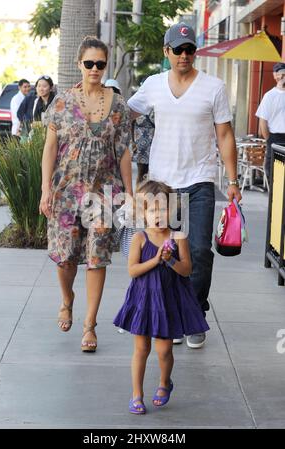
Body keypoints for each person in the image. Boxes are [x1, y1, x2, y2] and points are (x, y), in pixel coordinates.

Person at [127, 22, 241, 348]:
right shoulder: (152, 85)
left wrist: (232, 181)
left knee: (201, 252)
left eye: (190, 49)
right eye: (178, 50)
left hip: (200, 181)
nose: (184, 55)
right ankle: (175, 314)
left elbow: (225, 135)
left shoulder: (213, 87)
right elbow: (125, 114)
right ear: (166, 52)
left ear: (196, 52)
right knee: (171, 252)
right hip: (165, 187)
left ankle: (194, 315)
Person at [39, 36, 132, 353]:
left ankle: (90, 326)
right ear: (79, 64)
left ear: (106, 66)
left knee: (96, 259)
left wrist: (129, 194)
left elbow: (124, 153)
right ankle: (67, 299)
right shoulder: (62, 102)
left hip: (104, 193)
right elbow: (50, 149)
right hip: (66, 192)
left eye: (100, 64)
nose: (95, 69)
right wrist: (45, 189)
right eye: (89, 63)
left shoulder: (117, 105)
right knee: (66, 260)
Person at [113, 180, 209, 414]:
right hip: (144, 300)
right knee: (141, 348)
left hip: (167, 301)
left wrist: (171, 261)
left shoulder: (178, 237)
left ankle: (165, 382)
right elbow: (132, 271)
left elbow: (187, 270)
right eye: (152, 209)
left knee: (164, 350)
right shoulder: (140, 239)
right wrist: (155, 260)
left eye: (163, 208)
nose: (158, 214)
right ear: (143, 213)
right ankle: (137, 394)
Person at [256, 62, 285, 183]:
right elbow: (263, 121)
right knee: (273, 172)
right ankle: (275, 200)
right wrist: (269, 139)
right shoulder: (269, 96)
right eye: (279, 74)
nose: (282, 77)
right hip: (275, 138)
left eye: (284, 74)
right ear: (275, 76)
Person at [132, 111, 154, 187]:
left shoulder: (158, 102)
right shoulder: (137, 103)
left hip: (156, 145)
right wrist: (133, 142)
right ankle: (139, 196)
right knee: (142, 173)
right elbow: (131, 123)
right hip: (141, 147)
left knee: (156, 175)